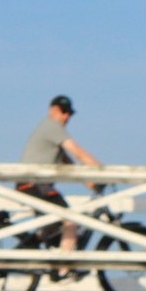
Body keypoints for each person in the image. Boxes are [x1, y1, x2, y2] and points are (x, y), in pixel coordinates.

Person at [13, 94, 103, 242]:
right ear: (53, 110)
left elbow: (68, 163)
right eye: (64, 111)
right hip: (34, 185)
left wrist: (89, 182)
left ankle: (41, 254)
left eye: (70, 113)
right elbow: (77, 152)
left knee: (52, 229)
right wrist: (102, 171)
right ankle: (64, 264)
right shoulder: (52, 126)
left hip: (32, 186)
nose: (67, 116)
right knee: (70, 222)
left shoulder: (51, 132)